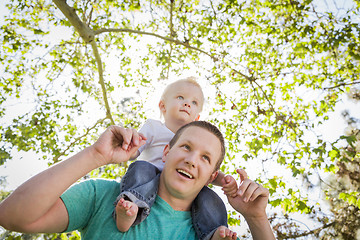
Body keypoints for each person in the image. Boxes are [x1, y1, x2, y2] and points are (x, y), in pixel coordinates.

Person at [0, 121, 275, 240]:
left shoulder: (211, 234)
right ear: (166, 152)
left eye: (205, 158)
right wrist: (95, 155)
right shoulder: (105, 196)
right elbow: (13, 216)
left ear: (212, 177)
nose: (192, 160)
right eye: (186, 147)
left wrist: (257, 218)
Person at [115, 77, 238, 240]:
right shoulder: (154, 127)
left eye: (194, 103)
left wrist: (225, 181)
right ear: (162, 106)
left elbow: (207, 171)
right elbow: (137, 148)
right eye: (181, 97)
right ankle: (132, 205)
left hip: (184, 181)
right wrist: (127, 149)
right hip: (149, 180)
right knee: (140, 168)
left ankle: (213, 232)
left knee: (208, 197)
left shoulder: (196, 139)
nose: (187, 103)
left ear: (197, 117)